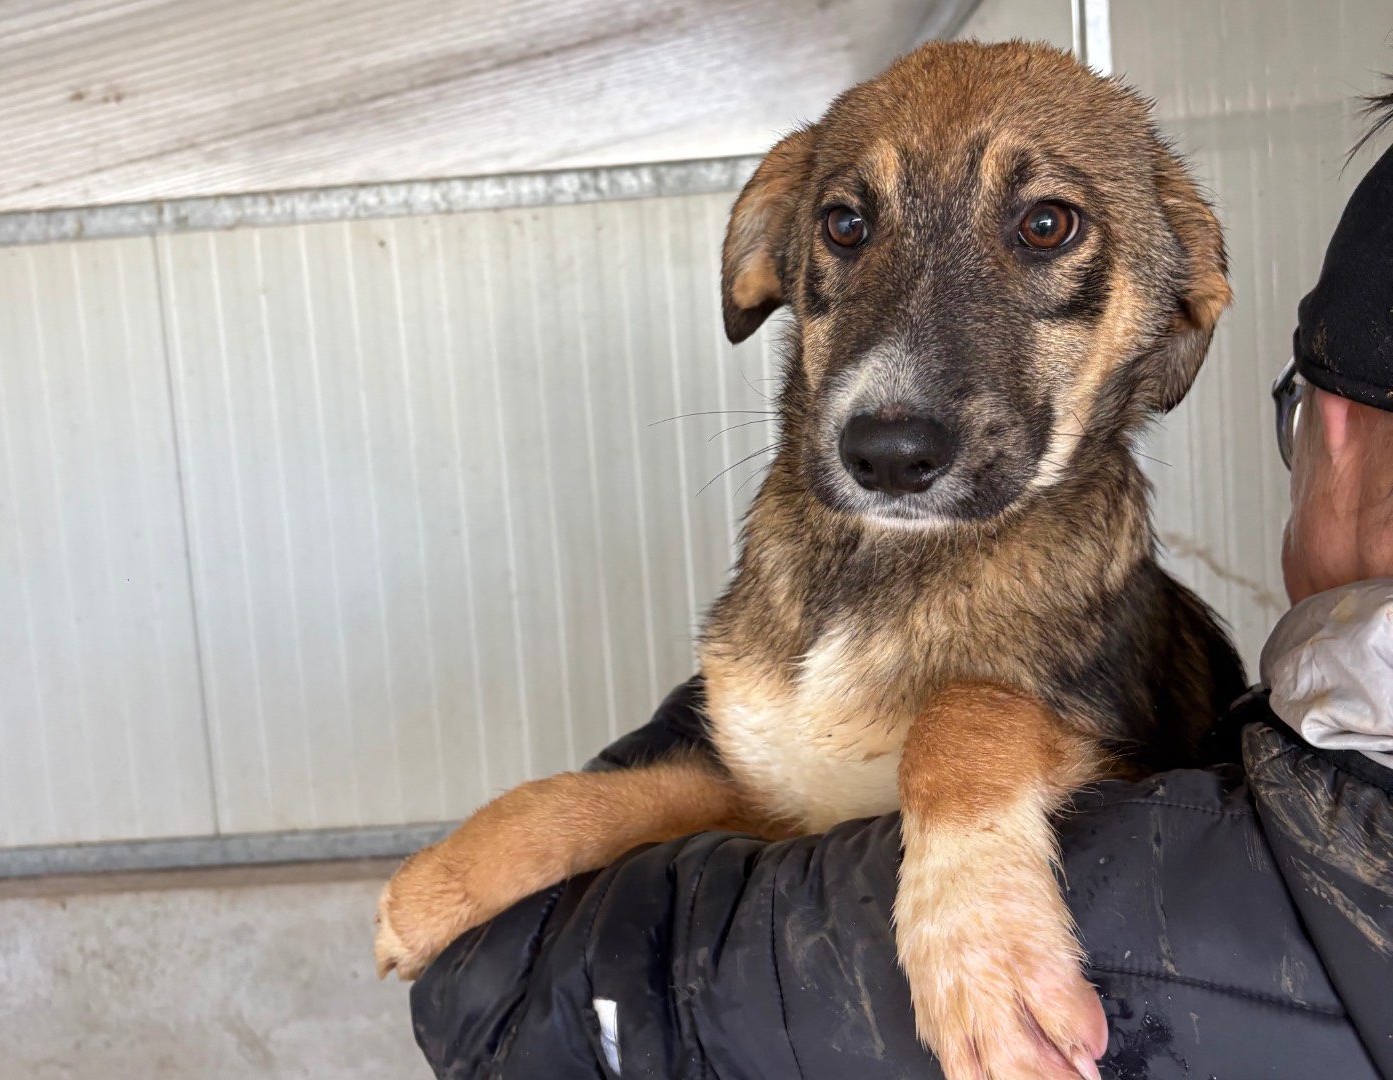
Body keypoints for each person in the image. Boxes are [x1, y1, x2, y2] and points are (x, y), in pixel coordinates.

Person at [407, 118, 1393, 1080]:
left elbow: (512, 1001)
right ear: (781, 254)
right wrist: (568, 821)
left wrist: (963, 798)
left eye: (1045, 226)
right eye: (848, 227)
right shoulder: (1313, 733)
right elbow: (776, 808)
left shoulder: (1284, 866)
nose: (897, 415)